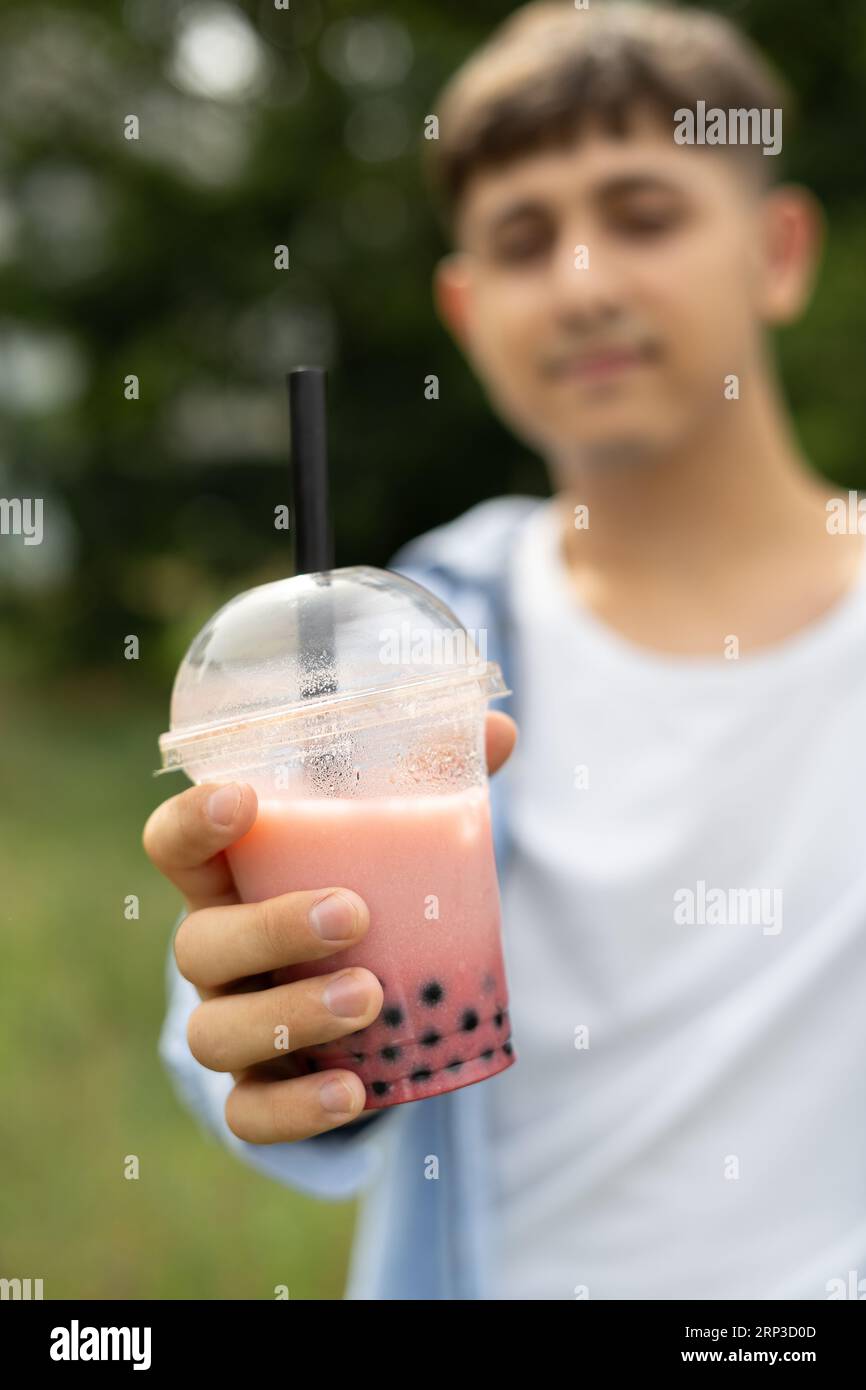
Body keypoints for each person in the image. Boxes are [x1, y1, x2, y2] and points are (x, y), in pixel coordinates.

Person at [143, 1, 866, 1299]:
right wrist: (280, 1046)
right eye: (524, 241)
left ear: (776, 248)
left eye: (642, 214)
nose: (584, 281)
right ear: (465, 310)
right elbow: (226, 1043)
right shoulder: (399, 635)